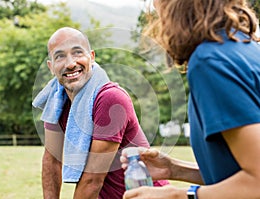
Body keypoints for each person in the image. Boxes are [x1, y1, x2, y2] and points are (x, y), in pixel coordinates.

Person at [120, 0, 260, 199]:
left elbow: (256, 183)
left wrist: (178, 195)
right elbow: (238, 170)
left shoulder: (210, 62)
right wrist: (175, 169)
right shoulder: (240, 44)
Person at [32, 27, 169, 199]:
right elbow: (52, 160)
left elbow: (92, 180)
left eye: (77, 53)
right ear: (51, 67)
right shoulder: (56, 99)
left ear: (92, 57)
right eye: (60, 56)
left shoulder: (110, 99)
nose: (70, 63)